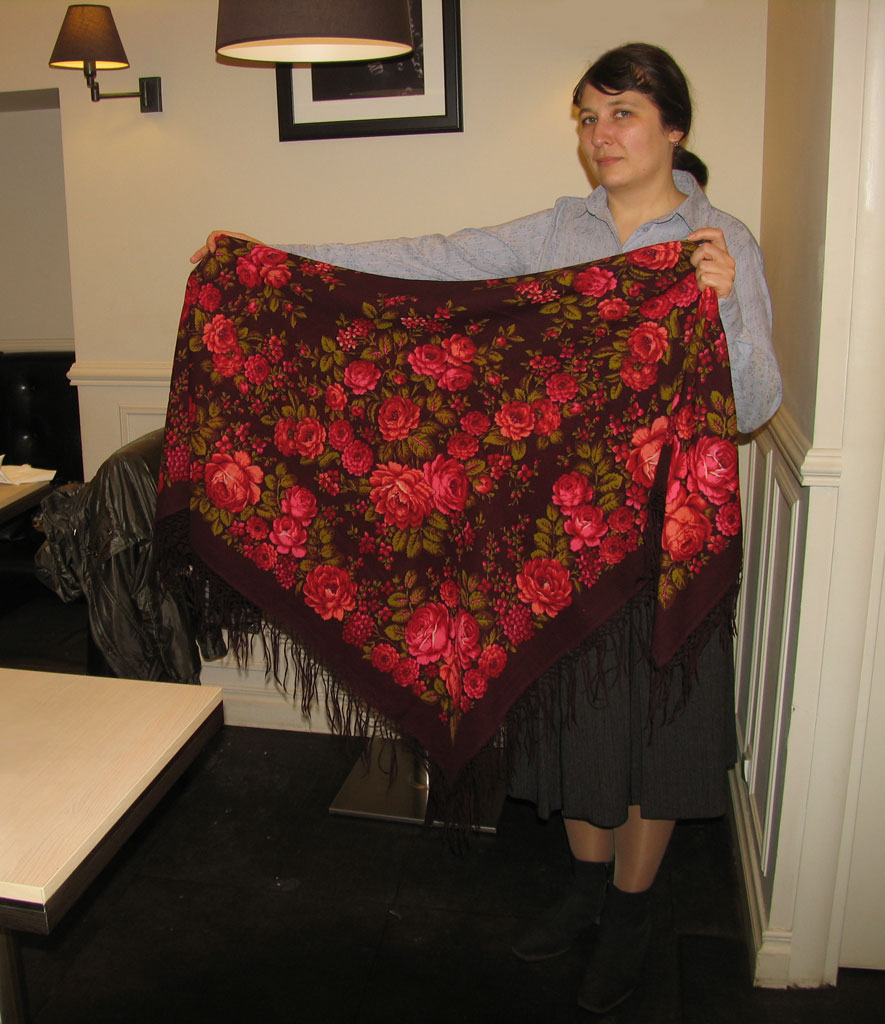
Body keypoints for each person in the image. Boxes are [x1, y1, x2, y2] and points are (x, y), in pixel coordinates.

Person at [192, 42, 780, 1015]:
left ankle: (631, 913)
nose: (600, 136)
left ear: (673, 128)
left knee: (653, 732)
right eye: (587, 118)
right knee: (580, 726)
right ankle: (584, 891)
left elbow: (755, 404)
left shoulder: (721, 241)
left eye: (622, 114)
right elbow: (435, 259)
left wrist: (719, 311)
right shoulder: (558, 231)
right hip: (560, 537)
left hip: (662, 538)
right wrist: (274, 259)